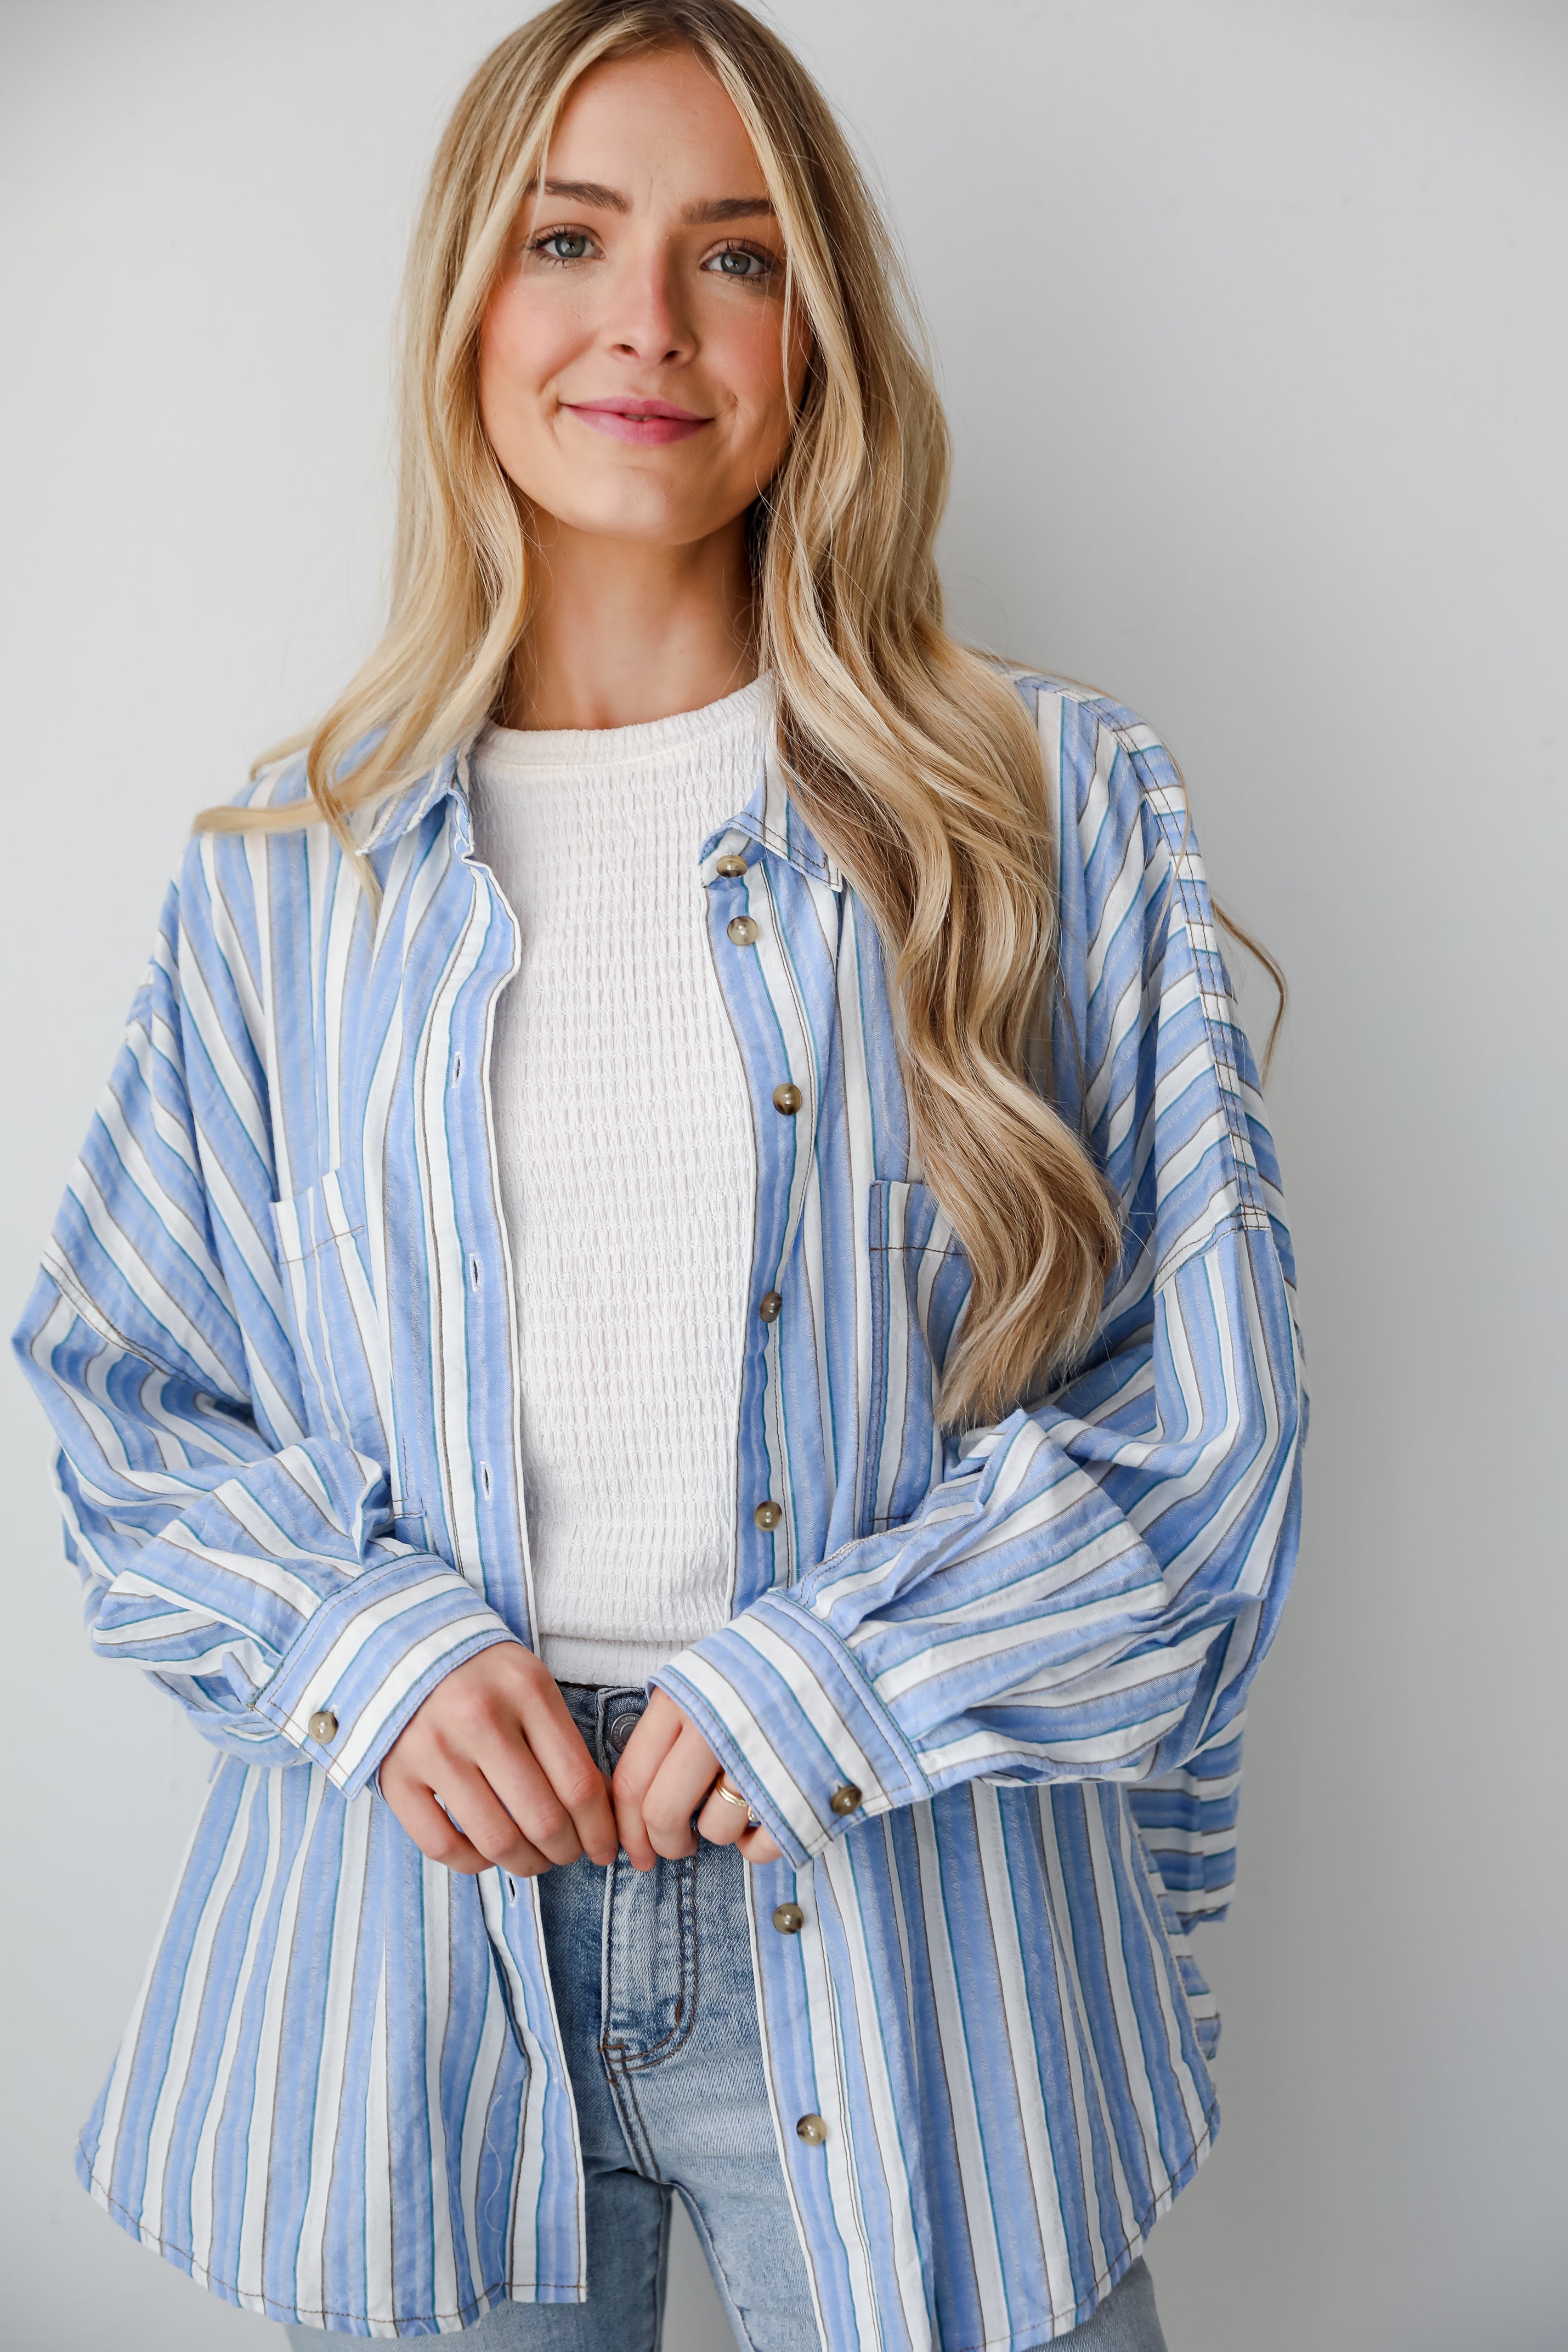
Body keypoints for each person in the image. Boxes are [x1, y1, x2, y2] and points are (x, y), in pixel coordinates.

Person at [11, 4, 1305, 2346]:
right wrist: (371, 1650)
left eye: (736, 254)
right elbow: (126, 1390)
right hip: (415, 1958)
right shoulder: (286, 885)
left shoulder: (1040, 813)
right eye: (569, 238)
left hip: (921, 1925)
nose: (646, 323)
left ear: (815, 337)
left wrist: (835, 1680)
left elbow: (1204, 1432)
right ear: (463, 310)